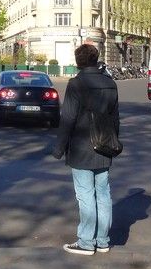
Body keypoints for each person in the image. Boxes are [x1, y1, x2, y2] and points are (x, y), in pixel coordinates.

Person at [51, 43, 120, 255]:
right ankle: (103, 240)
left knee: (86, 195)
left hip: (81, 147)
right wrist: (113, 142)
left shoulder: (76, 84)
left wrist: (59, 147)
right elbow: (115, 119)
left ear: (78, 62)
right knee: (103, 194)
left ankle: (86, 242)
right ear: (96, 59)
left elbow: (68, 118)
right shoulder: (110, 84)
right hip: (104, 145)